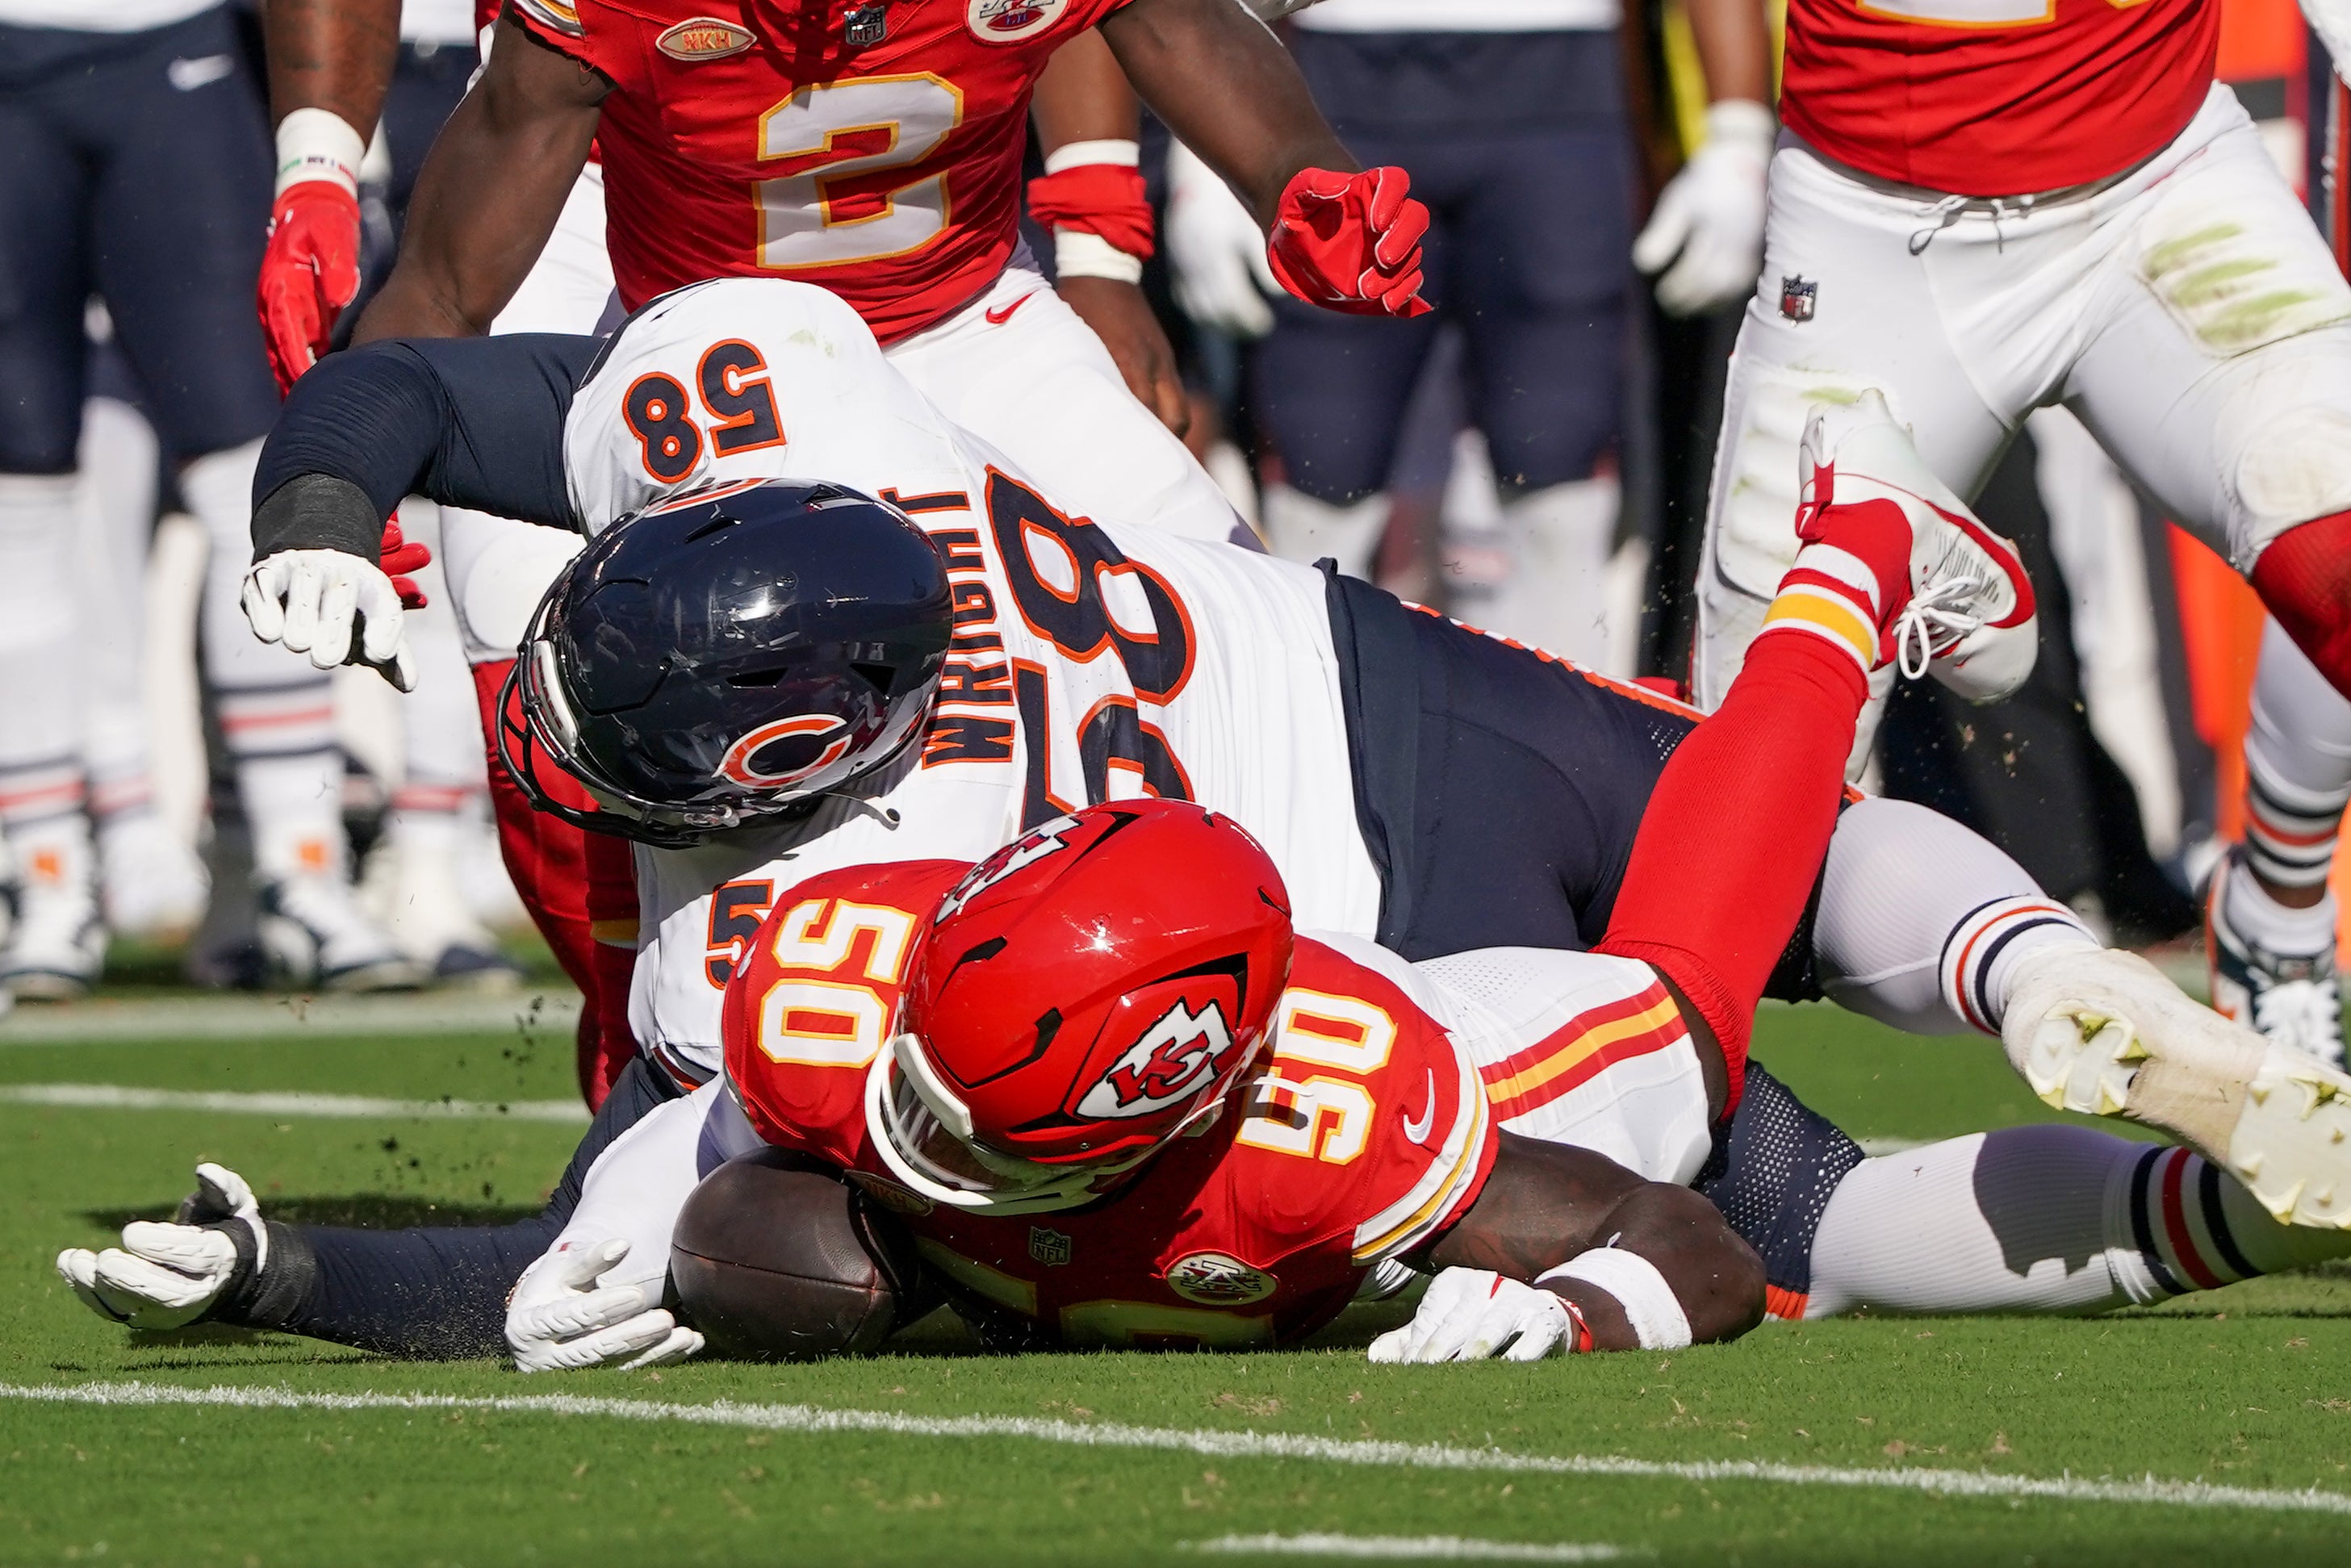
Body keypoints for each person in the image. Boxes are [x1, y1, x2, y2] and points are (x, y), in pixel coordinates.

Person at [56, 277, 2351, 1353]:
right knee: (1802, 840)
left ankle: (2194, 1199)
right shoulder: (792, 400)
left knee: (1789, 1217)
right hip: (1344, 656)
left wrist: (302, 1277)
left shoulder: (790, 936)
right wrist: (332, 499)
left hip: (1354, 951)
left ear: (777, 760)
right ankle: (2048, 958)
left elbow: (596, 1252)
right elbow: (450, 392)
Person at [1690, 0, 2351, 1054]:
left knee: (2331, 517)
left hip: (2160, 184)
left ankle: (2275, 911)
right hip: (1873, 233)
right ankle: (2033, 969)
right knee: (1742, 836)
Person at [0, 0, 414, 996]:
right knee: (20, 490)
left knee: (249, 470)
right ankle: (45, 876)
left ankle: (299, 866)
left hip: (174, 49)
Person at [1232, 0, 1772, 671]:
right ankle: (1306, 733)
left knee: (1559, 456)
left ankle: (1568, 753)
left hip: (1558, 84)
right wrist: (1210, 147)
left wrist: (1739, 133)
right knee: (1323, 463)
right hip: (1336, 75)